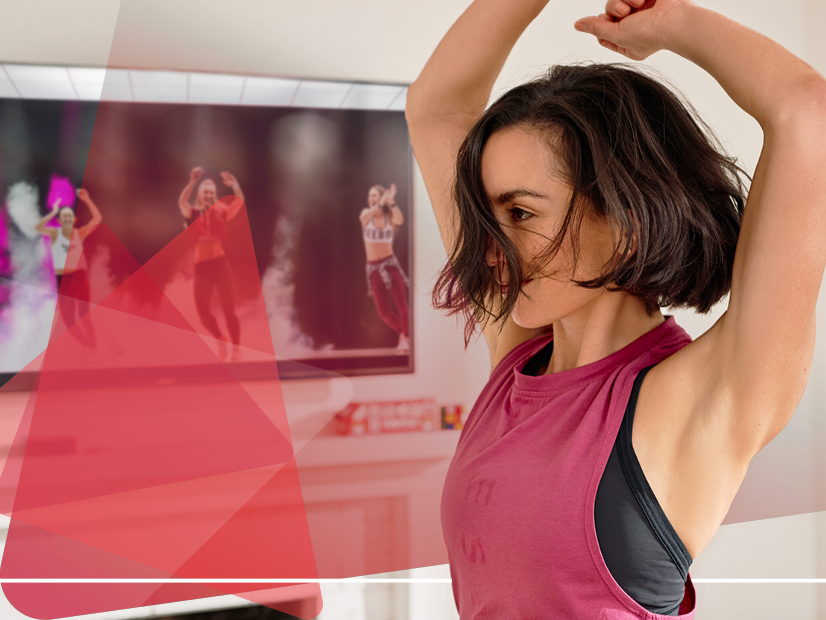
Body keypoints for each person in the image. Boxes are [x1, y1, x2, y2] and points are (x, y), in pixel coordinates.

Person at [406, 0, 826, 617]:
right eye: (487, 216)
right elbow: (436, 108)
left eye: (521, 214)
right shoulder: (521, 358)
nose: (491, 248)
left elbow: (806, 111)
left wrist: (673, 23)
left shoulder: (694, 399)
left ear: (626, 218)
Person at [178, 167, 245, 361]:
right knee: (203, 313)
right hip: (202, 268)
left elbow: (239, 203)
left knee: (229, 311)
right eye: (205, 192)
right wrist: (192, 181)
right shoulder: (192, 213)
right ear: (200, 194)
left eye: (211, 192)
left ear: (215, 196)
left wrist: (235, 185)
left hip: (220, 265)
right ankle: (220, 338)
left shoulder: (221, 211)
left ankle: (236, 349)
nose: (208, 194)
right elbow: (182, 201)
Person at [35, 187, 102, 347]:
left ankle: (92, 348)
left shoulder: (79, 233)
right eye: (63, 216)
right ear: (59, 221)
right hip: (63, 280)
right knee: (68, 321)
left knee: (84, 315)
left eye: (69, 216)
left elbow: (97, 219)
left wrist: (87, 200)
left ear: (74, 219)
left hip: (79, 277)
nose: (66, 218)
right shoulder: (54, 234)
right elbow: (39, 228)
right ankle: (86, 345)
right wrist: (54, 212)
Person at [361, 183, 410, 352]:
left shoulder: (390, 218)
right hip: (374, 269)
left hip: (389, 265)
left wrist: (391, 202)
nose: (371, 199)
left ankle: (406, 338)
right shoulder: (366, 216)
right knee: (384, 314)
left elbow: (400, 219)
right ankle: (406, 334)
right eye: (370, 196)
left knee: (403, 307)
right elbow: (363, 217)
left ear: (381, 196)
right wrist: (383, 201)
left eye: (374, 195)